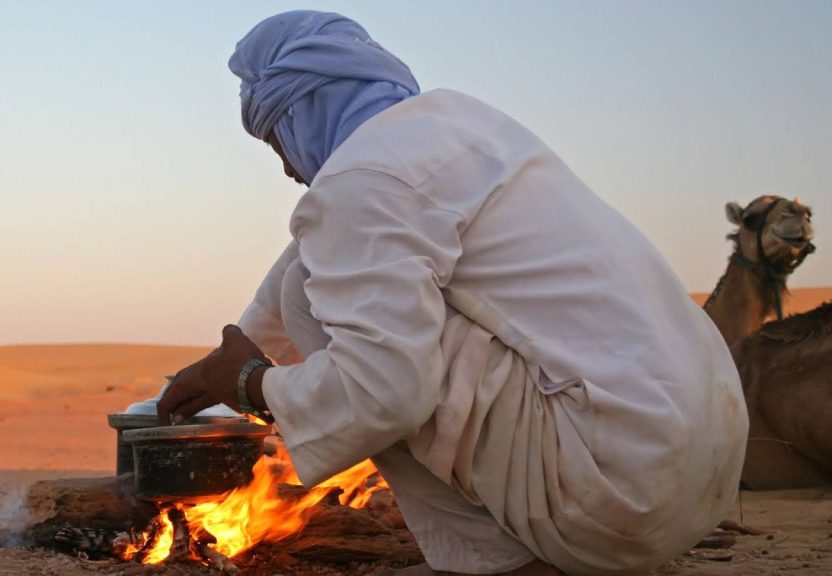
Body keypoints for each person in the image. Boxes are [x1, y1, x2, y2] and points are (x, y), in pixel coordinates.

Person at [157, 10, 748, 576]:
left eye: (277, 140)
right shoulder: (456, 126)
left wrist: (249, 383)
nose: (288, 169)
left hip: (614, 504)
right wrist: (218, 373)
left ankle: (489, 564)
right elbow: (310, 260)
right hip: (699, 470)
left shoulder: (364, 181)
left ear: (305, 112)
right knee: (309, 284)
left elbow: (381, 392)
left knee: (318, 306)